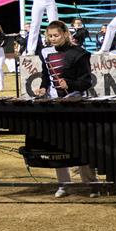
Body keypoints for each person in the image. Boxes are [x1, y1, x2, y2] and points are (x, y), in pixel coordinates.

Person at [38, 20, 98, 198]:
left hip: (76, 102)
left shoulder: (79, 54)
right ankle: (63, 184)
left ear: (65, 34)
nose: (53, 39)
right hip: (57, 103)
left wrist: (70, 83)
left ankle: (91, 183)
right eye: (50, 36)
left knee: (82, 144)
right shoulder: (46, 53)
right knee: (58, 144)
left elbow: (87, 81)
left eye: (56, 35)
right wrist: (43, 87)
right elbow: (45, 76)